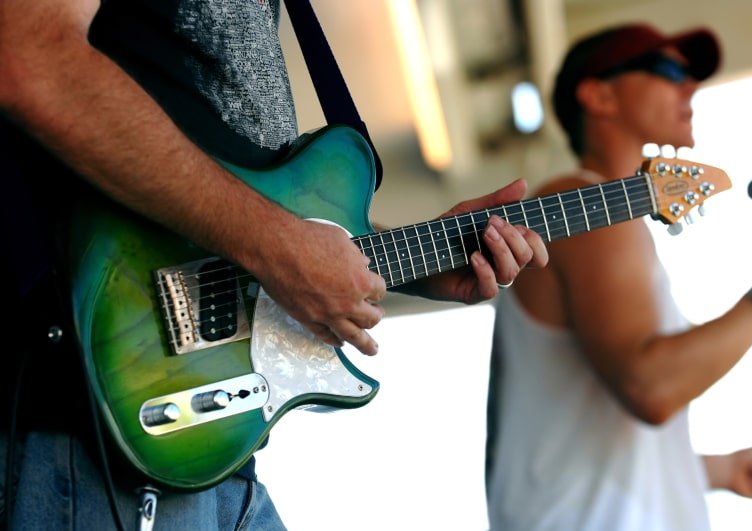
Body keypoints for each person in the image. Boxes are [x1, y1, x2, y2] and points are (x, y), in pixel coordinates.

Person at [0, 1, 549, 529]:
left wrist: (410, 261)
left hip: (209, 450)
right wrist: (279, 248)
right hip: (83, 419)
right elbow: (28, 56)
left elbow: (261, 210)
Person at [486, 22, 752, 530]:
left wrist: (717, 471)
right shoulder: (583, 203)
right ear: (599, 95)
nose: (690, 86)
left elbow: (601, 435)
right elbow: (649, 386)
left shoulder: (607, 218)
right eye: (669, 70)